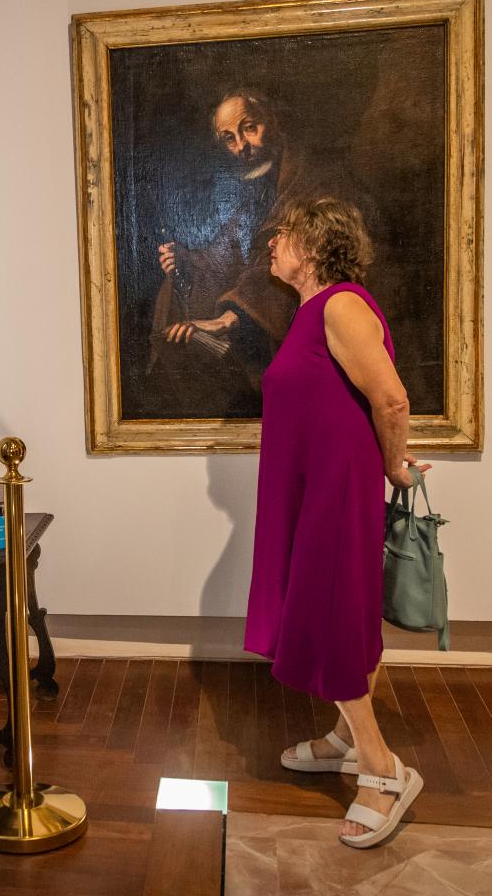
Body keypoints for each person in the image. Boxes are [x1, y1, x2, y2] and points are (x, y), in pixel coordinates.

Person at [242, 196, 429, 849]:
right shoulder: (310, 312)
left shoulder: (342, 304)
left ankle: (383, 771)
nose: (273, 244)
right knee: (338, 608)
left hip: (335, 485)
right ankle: (348, 738)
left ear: (316, 247)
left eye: (284, 235)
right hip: (311, 485)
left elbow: (391, 396)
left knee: (328, 614)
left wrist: (394, 466)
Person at [150, 91, 365, 413]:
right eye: (228, 138)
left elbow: (295, 261)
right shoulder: (259, 187)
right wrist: (189, 264)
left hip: (329, 320)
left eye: (250, 128)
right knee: (172, 299)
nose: (241, 146)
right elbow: (231, 252)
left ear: (273, 122)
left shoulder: (314, 176)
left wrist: (230, 317)